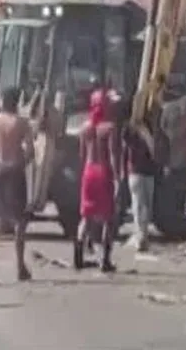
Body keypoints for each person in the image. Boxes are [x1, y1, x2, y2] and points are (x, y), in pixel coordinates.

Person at [0, 87, 34, 285]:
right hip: (15, 172)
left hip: (0, 170)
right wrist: (22, 162)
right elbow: (31, 152)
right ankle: (20, 267)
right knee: (19, 220)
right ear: (16, 102)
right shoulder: (21, 123)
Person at [74, 89, 120, 272]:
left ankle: (78, 255)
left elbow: (81, 155)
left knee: (86, 216)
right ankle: (105, 260)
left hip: (88, 171)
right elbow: (113, 155)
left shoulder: (85, 128)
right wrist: (117, 178)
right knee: (108, 218)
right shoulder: (110, 128)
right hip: (104, 172)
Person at [122, 120, 156, 253]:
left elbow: (153, 151)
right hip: (139, 172)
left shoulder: (140, 129)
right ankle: (141, 237)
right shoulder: (131, 131)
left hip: (141, 172)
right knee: (141, 206)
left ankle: (142, 237)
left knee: (142, 206)